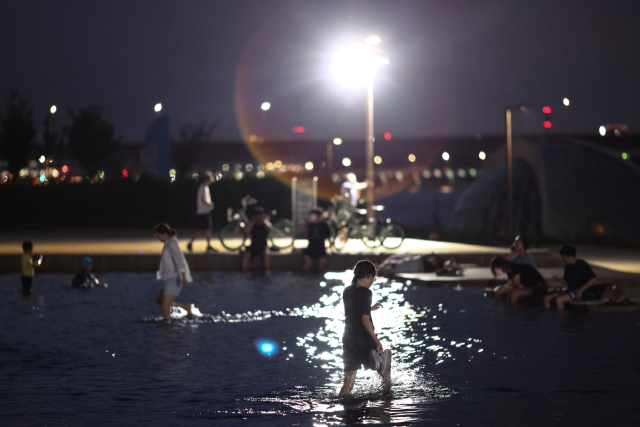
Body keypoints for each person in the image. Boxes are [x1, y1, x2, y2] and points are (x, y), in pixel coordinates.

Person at [339, 260, 391, 396]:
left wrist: (369, 308)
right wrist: (376, 340)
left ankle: (339, 407)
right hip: (364, 339)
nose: (373, 282)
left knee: (348, 384)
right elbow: (364, 319)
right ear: (368, 276)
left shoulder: (347, 290)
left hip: (348, 339)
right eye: (373, 278)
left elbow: (354, 310)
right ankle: (386, 402)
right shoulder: (367, 293)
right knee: (385, 372)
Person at [154, 223, 194, 319]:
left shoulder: (172, 243)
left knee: (165, 307)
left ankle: (168, 328)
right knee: (160, 300)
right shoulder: (168, 243)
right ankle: (186, 307)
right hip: (170, 277)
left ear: (163, 234)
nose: (157, 238)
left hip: (175, 278)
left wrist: (183, 277)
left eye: (157, 235)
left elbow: (180, 260)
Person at [544, 245, 597, 310]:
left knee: (559, 300)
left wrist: (581, 290)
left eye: (564, 258)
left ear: (570, 256)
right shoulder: (567, 267)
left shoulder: (582, 264)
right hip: (570, 291)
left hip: (581, 292)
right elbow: (566, 282)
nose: (563, 260)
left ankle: (562, 318)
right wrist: (558, 279)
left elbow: (592, 278)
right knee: (547, 298)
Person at [187, 171, 217, 254]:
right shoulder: (203, 187)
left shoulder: (204, 187)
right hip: (204, 212)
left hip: (204, 212)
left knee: (206, 230)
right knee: (203, 230)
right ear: (207, 179)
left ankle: (208, 245)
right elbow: (203, 199)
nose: (211, 181)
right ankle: (193, 243)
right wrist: (210, 204)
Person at [242, 207, 271, 273]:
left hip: (263, 246)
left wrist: (263, 220)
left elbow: (269, 228)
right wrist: (252, 222)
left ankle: (267, 271)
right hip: (253, 246)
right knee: (246, 255)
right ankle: (244, 271)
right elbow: (246, 232)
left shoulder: (264, 225)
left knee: (266, 255)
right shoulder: (253, 225)